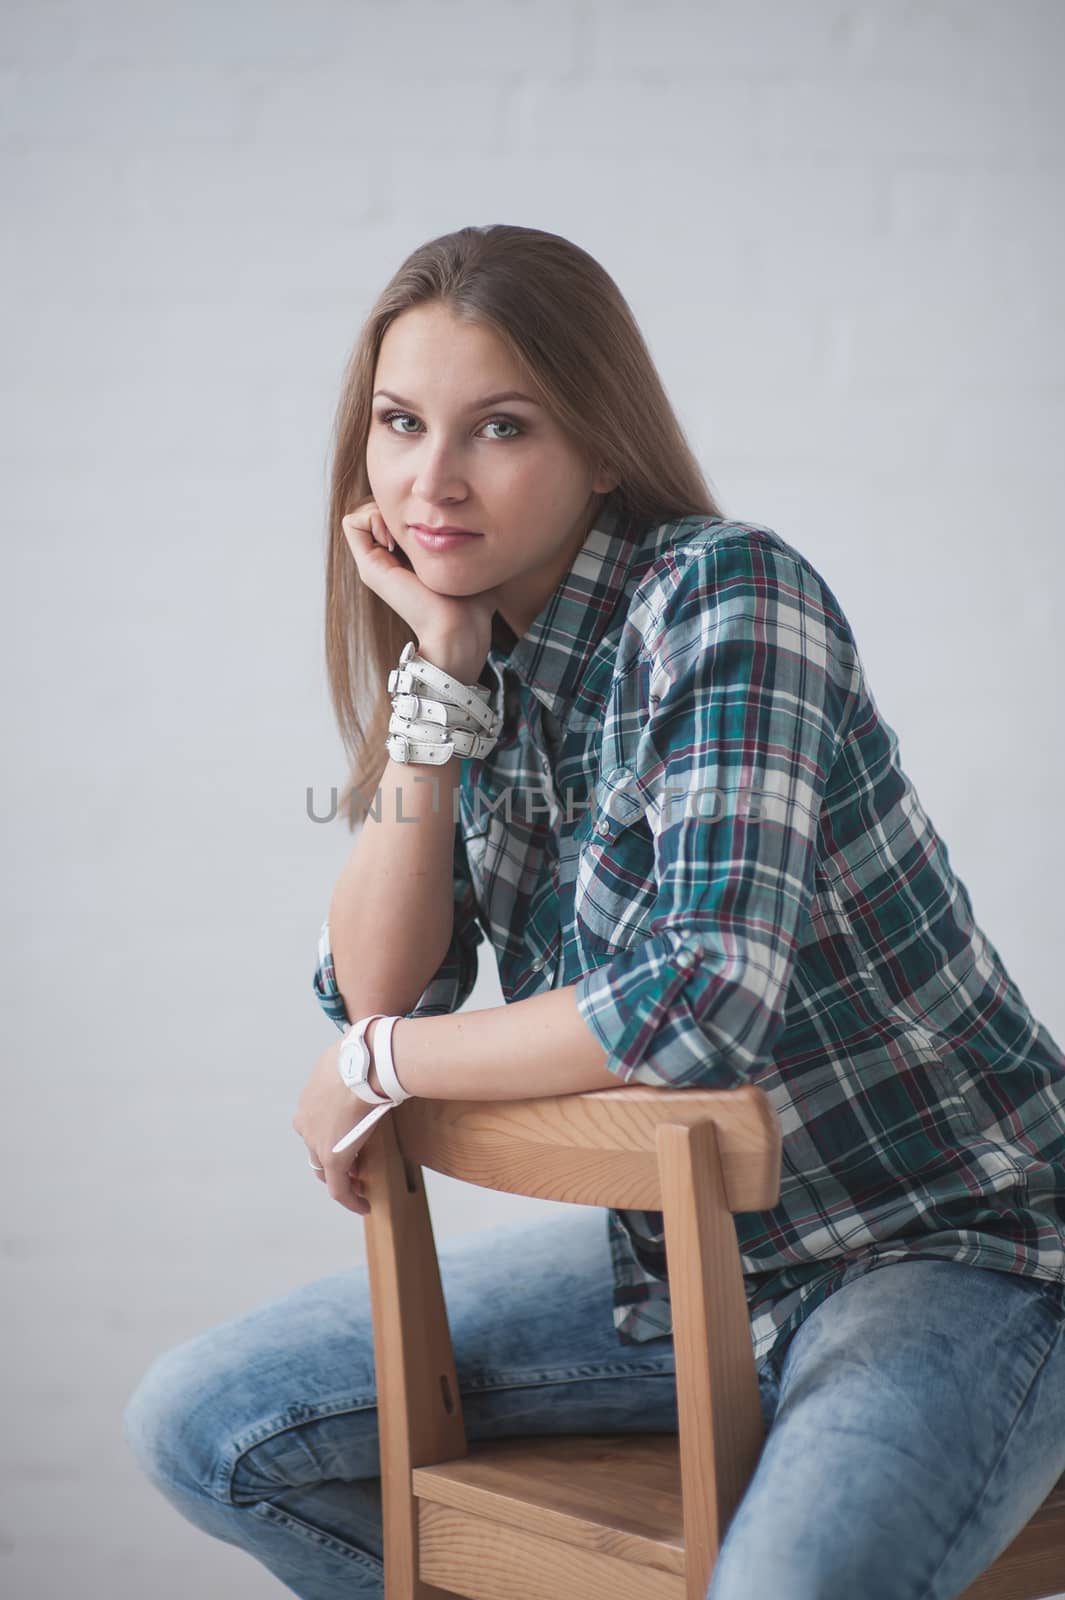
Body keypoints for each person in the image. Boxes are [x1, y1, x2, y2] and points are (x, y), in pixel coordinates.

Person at [122, 224, 1065, 1600]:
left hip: (952, 1244)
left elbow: (693, 1001)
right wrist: (434, 691)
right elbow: (376, 989)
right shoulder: (472, 659)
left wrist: (372, 1071)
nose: (430, 479)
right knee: (207, 1428)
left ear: (601, 445)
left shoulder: (726, 596)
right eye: (399, 424)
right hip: (683, 1258)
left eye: (498, 428)